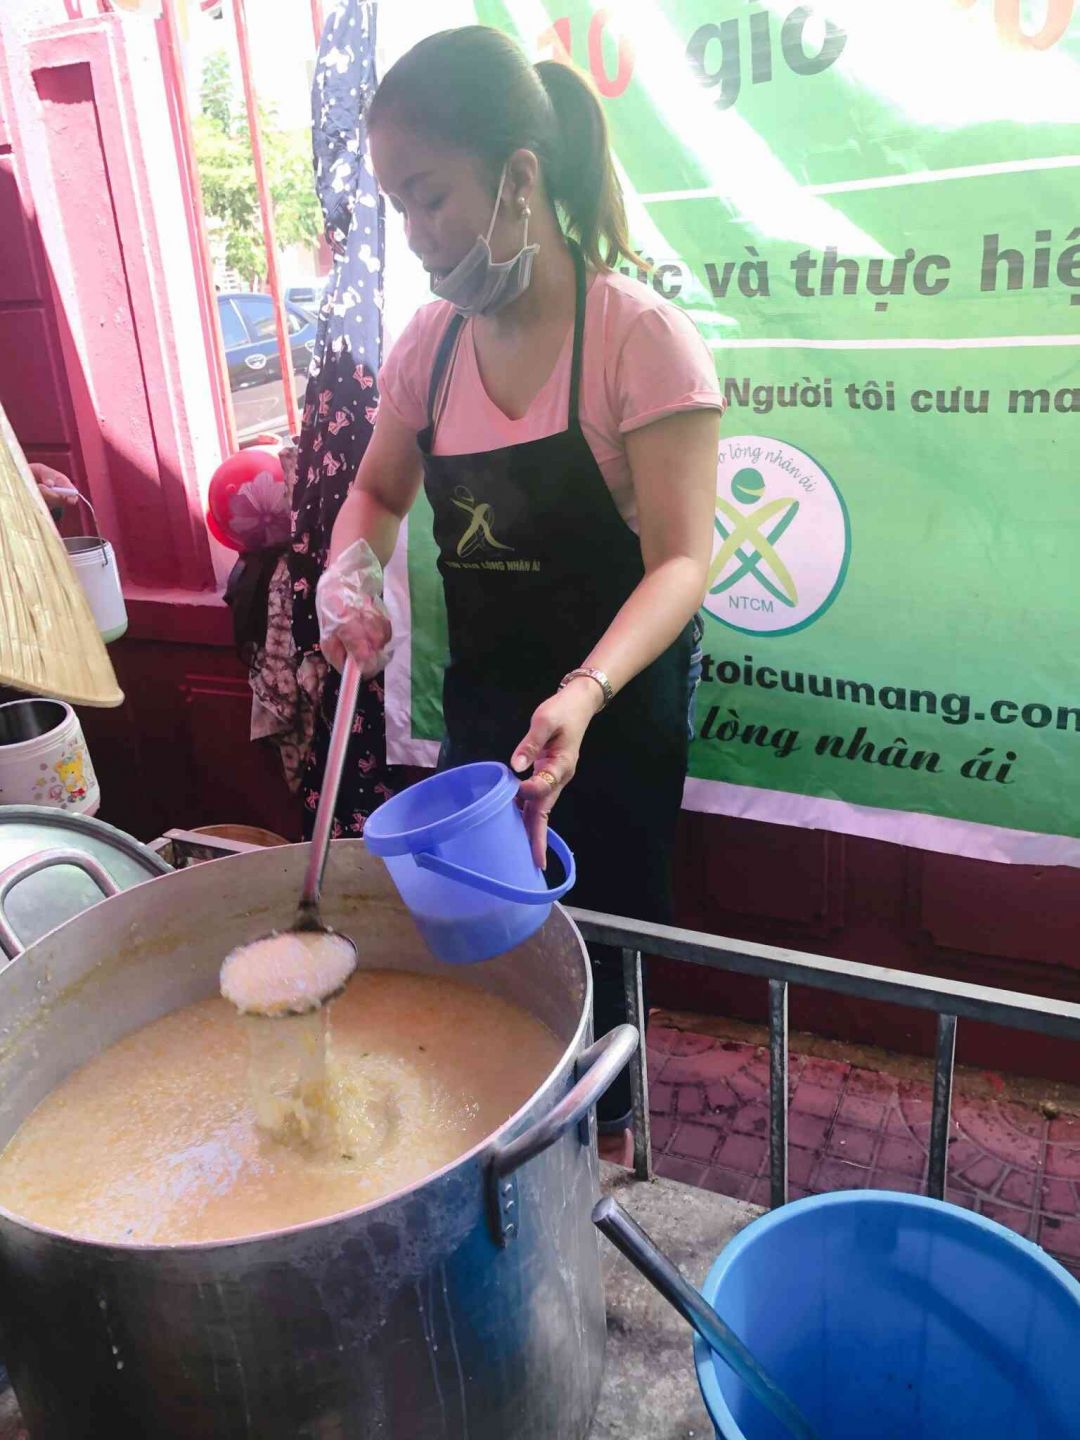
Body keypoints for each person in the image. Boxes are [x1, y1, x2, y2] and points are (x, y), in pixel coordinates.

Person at [318, 26, 724, 1160]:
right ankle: (502, 1146)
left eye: (431, 196)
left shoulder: (638, 341)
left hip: (613, 708)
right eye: (398, 204)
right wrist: (348, 575)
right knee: (490, 952)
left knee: (607, 943)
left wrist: (585, 693)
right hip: (492, 704)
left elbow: (682, 562)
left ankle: (608, 1156)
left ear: (520, 178)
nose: (415, 232)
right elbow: (376, 493)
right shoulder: (431, 348)